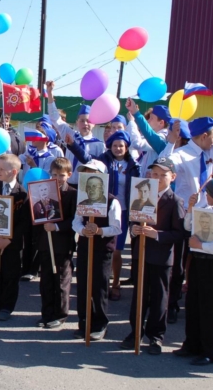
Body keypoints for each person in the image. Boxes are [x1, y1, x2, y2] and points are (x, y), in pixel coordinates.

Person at [160, 100, 213, 322]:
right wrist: (170, 141)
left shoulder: (210, 152)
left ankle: (197, 304)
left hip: (205, 212)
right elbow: (162, 165)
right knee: (177, 262)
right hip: (184, 214)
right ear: (204, 136)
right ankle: (172, 304)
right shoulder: (182, 154)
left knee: (200, 261)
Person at [120, 158, 185, 355]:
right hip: (141, 254)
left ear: (172, 177)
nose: (157, 178)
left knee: (159, 298)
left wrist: (157, 235)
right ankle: (135, 332)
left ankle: (156, 336)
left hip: (161, 257)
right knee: (139, 296)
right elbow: (133, 220)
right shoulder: (142, 194)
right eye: (154, 174)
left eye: (162, 175)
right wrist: (135, 229)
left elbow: (180, 233)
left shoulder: (175, 201)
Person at [67, 129, 140, 301]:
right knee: (99, 248)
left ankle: (115, 283)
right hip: (99, 204)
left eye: (121, 146)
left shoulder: (134, 166)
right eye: (115, 145)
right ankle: (99, 281)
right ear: (110, 146)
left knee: (116, 251)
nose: (118, 148)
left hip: (122, 209)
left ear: (127, 147)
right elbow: (86, 160)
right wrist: (72, 146)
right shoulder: (103, 161)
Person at [174, 175, 213, 365]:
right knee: (193, 305)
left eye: (209, 193)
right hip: (198, 263)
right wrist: (191, 209)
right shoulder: (207, 210)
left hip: (212, 265)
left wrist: (200, 245)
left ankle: (209, 351)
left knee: (208, 309)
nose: (206, 195)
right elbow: (188, 226)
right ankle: (192, 344)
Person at [72, 159, 122, 340]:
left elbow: (116, 228)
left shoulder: (111, 201)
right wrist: (82, 230)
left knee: (99, 286)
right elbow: (76, 222)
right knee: (83, 284)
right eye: (85, 173)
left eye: (92, 172)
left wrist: (100, 231)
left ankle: (100, 324)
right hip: (85, 245)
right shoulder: (82, 199)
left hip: (102, 249)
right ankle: (84, 321)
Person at [0, 154, 30, 321]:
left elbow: (24, 223)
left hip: (12, 244)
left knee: (10, 275)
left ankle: (6, 307)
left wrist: (8, 240)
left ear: (14, 171)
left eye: (2, 169)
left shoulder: (22, 194)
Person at [34, 157, 76, 328]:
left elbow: (74, 220)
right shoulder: (43, 192)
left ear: (69, 175)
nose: (57, 178)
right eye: (54, 174)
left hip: (63, 244)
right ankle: (47, 313)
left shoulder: (72, 194)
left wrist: (57, 227)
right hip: (46, 243)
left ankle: (60, 314)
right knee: (46, 281)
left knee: (61, 280)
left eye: (61, 175)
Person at [46, 81, 105, 187]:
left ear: (94, 123)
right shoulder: (70, 134)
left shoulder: (99, 145)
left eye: (89, 121)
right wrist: (50, 93)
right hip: (67, 183)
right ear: (77, 122)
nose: (85, 124)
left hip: (86, 186)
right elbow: (55, 117)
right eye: (82, 120)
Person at [125, 99, 172, 178]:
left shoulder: (163, 138)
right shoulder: (157, 137)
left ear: (161, 123)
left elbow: (137, 143)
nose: (148, 121)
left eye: (151, 118)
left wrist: (132, 121)